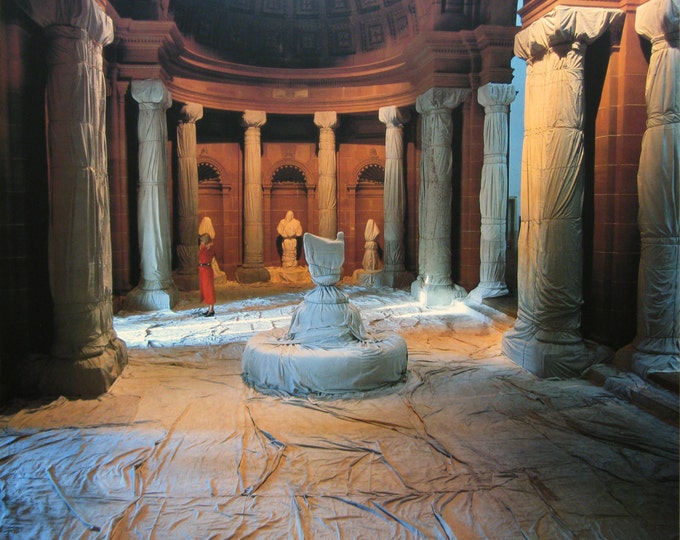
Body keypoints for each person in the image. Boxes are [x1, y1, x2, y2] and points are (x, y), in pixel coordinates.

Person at [198, 217, 216, 317]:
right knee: (205, 289)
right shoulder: (203, 248)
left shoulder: (209, 248)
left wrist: (208, 247)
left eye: (202, 241)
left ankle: (211, 309)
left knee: (209, 289)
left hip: (206, 269)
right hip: (203, 269)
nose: (200, 243)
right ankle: (209, 308)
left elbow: (211, 255)